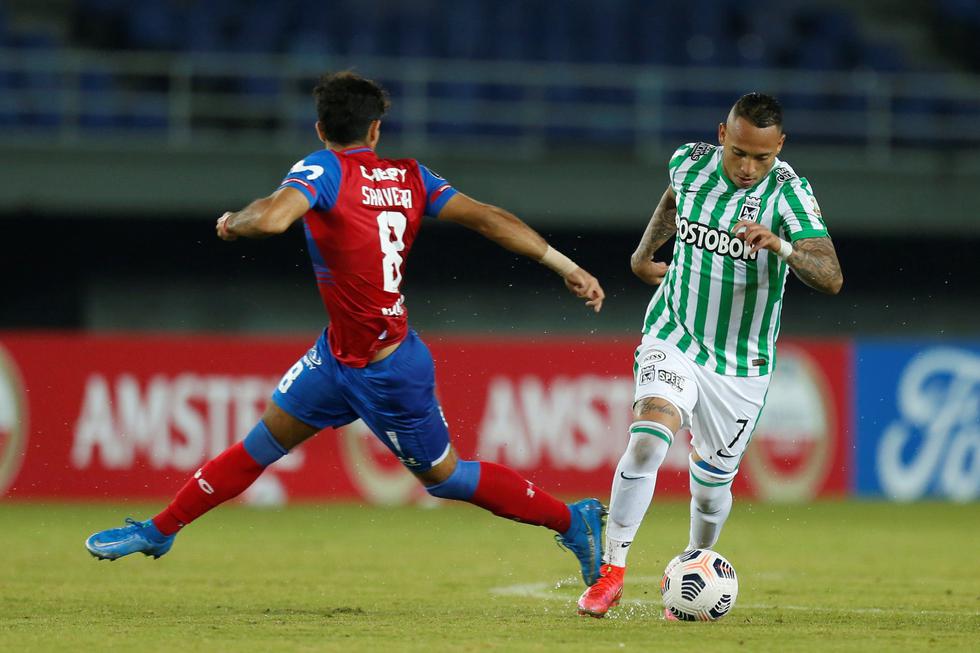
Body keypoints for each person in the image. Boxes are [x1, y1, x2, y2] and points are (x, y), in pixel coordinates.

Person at [85, 71, 608, 588]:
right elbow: (490, 218)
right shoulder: (412, 177)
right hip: (337, 357)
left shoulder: (323, 169)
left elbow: (270, 220)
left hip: (388, 370)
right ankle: (160, 529)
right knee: (260, 445)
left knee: (445, 478)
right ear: (376, 130)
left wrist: (231, 223)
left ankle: (571, 520)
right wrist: (568, 267)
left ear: (319, 129)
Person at [576, 93, 843, 618]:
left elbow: (831, 277)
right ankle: (612, 572)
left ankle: (695, 561)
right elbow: (675, 198)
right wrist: (641, 253)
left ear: (780, 147)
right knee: (650, 439)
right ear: (723, 134)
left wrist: (783, 248)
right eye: (739, 152)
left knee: (710, 492)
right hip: (673, 333)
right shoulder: (688, 161)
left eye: (761, 158)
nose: (748, 168)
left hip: (741, 366)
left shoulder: (789, 195)